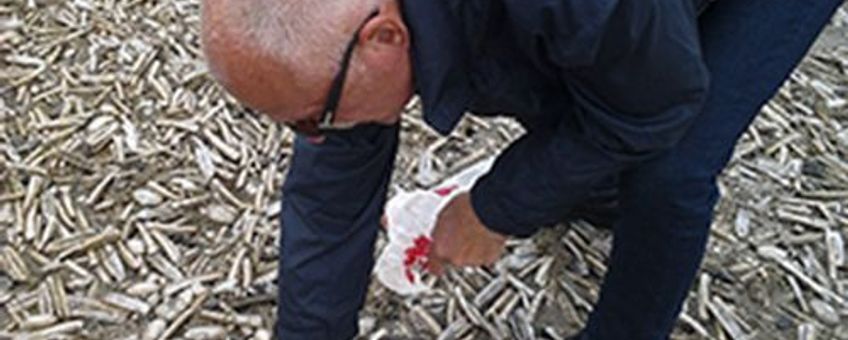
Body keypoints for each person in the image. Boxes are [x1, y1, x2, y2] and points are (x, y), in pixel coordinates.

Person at [201, 0, 842, 338]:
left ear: (384, 38)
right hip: (610, 21)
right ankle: (597, 191)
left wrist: (495, 208)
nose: (316, 136)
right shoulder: (343, 42)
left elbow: (656, 108)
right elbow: (329, 196)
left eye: (316, 118)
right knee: (586, 88)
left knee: (668, 167)